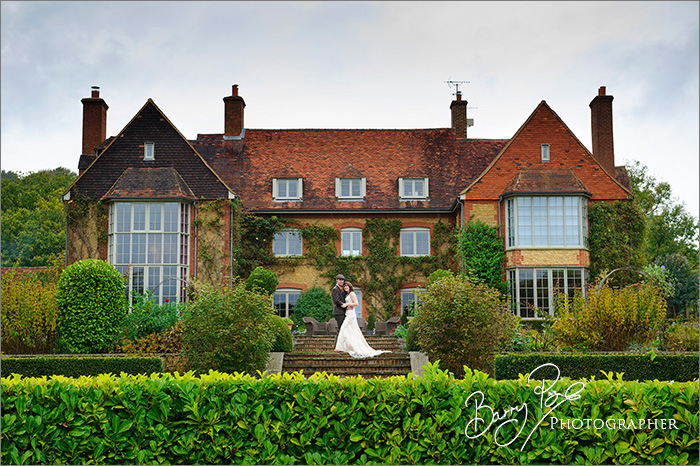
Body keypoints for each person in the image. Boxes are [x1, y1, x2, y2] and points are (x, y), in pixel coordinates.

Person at [334, 282, 390, 358]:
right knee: (350, 330)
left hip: (351, 314)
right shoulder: (346, 295)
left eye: (347, 286)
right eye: (344, 286)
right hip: (347, 312)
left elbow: (356, 303)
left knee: (344, 328)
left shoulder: (352, 294)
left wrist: (347, 304)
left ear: (350, 287)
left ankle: (339, 348)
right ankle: (344, 347)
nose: (345, 287)